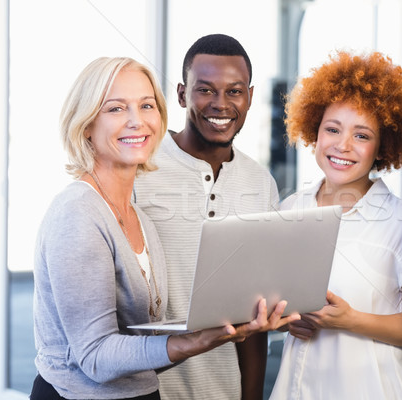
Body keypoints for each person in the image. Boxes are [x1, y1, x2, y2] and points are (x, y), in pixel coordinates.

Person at [31, 56, 293, 400]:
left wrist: (226, 331)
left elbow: (141, 351)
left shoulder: (141, 221)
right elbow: (95, 357)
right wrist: (197, 340)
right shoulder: (78, 213)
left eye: (146, 105)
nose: (136, 121)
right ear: (86, 125)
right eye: (115, 109)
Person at [269, 51, 402, 400]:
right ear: (314, 131)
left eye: (362, 136)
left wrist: (350, 320)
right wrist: (287, 318)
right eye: (332, 129)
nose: (343, 146)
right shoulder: (289, 209)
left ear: (382, 147)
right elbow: (274, 299)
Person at [133, 34, 287, 400]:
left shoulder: (260, 183)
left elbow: (255, 313)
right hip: (145, 389)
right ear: (183, 94)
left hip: (222, 389)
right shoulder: (139, 168)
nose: (221, 104)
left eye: (234, 91)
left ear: (249, 96)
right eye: (206, 90)